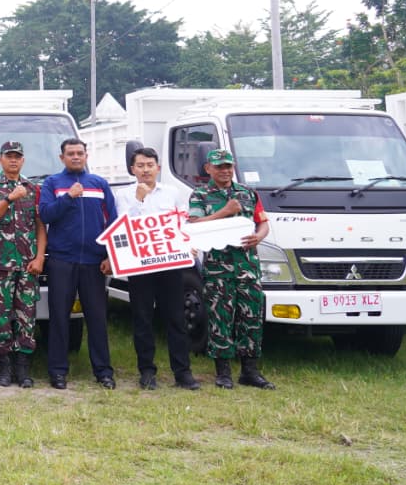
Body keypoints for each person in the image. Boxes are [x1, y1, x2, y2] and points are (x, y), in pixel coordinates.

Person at [111, 147, 200, 391]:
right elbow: (123, 225)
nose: (145, 169)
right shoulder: (124, 195)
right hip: (140, 266)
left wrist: (188, 245)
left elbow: (183, 223)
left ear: (157, 167)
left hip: (170, 265)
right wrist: (139, 200)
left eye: (150, 164)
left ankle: (182, 372)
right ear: (132, 169)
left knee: (175, 318)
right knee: (142, 318)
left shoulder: (172, 193)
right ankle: (147, 371)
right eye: (140, 165)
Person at [188, 148, 276, 390]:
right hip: (219, 269)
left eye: (228, 166)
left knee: (251, 318)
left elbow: (263, 223)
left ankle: (250, 371)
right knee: (220, 318)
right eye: (219, 166)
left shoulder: (248, 193)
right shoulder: (200, 195)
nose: (225, 171)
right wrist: (225, 212)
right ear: (208, 169)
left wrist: (259, 237)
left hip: (248, 266)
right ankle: (223, 372)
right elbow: (193, 225)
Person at [39, 138, 118, 390]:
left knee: (96, 318)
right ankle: (58, 371)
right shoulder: (52, 183)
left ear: (87, 155)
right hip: (62, 260)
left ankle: (103, 371)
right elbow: (46, 215)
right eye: (70, 153)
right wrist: (68, 198)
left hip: (94, 262)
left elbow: (113, 223)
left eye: (79, 153)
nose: (75, 157)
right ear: (61, 157)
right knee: (60, 318)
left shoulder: (100, 184)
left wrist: (109, 256)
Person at [0, 141, 47, 388]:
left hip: (28, 266)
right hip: (0, 266)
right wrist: (8, 198)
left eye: (18, 156)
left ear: (23, 160)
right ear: (0, 160)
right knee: (2, 317)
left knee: (27, 317)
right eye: (9, 156)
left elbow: (40, 226)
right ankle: (4, 367)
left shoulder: (33, 188)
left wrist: (39, 257)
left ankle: (23, 368)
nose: (13, 160)